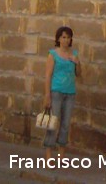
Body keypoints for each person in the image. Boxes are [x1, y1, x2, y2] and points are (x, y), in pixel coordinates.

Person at [43, 26, 81, 159]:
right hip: (56, 92)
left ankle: (61, 154)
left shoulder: (74, 54)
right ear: (58, 39)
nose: (66, 40)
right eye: (63, 37)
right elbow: (48, 75)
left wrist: (77, 63)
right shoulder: (53, 54)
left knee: (65, 124)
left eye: (68, 37)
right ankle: (48, 154)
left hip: (70, 93)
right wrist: (47, 95)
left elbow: (79, 74)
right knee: (53, 123)